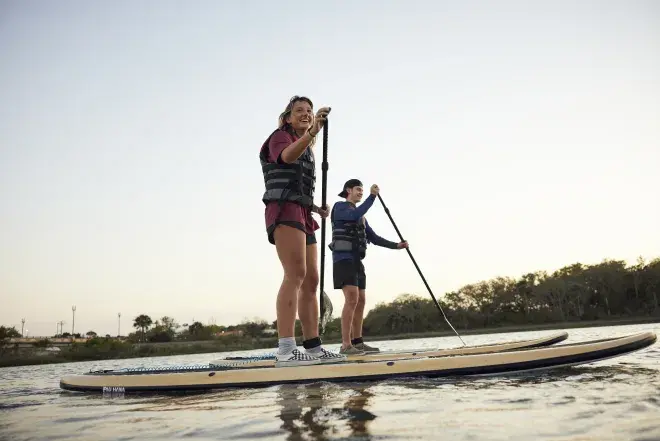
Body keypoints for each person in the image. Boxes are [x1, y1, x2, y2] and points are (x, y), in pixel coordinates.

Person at [259, 96, 346, 367]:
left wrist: (317, 207)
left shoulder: (307, 146)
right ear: (288, 117)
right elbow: (286, 157)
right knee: (295, 274)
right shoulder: (279, 137)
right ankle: (286, 350)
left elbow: (299, 181)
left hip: (303, 214)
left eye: (309, 111)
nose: (306, 114)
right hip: (283, 210)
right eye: (299, 111)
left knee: (311, 281)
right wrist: (312, 133)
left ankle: (313, 347)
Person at [329, 179, 409, 355]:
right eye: (358, 189)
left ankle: (358, 342)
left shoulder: (361, 217)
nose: (360, 192)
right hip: (343, 259)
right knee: (351, 298)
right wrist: (372, 197)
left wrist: (397, 245)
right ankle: (345, 345)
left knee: (361, 300)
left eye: (363, 191)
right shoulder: (340, 207)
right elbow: (352, 215)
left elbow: (374, 238)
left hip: (357, 261)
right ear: (348, 190)